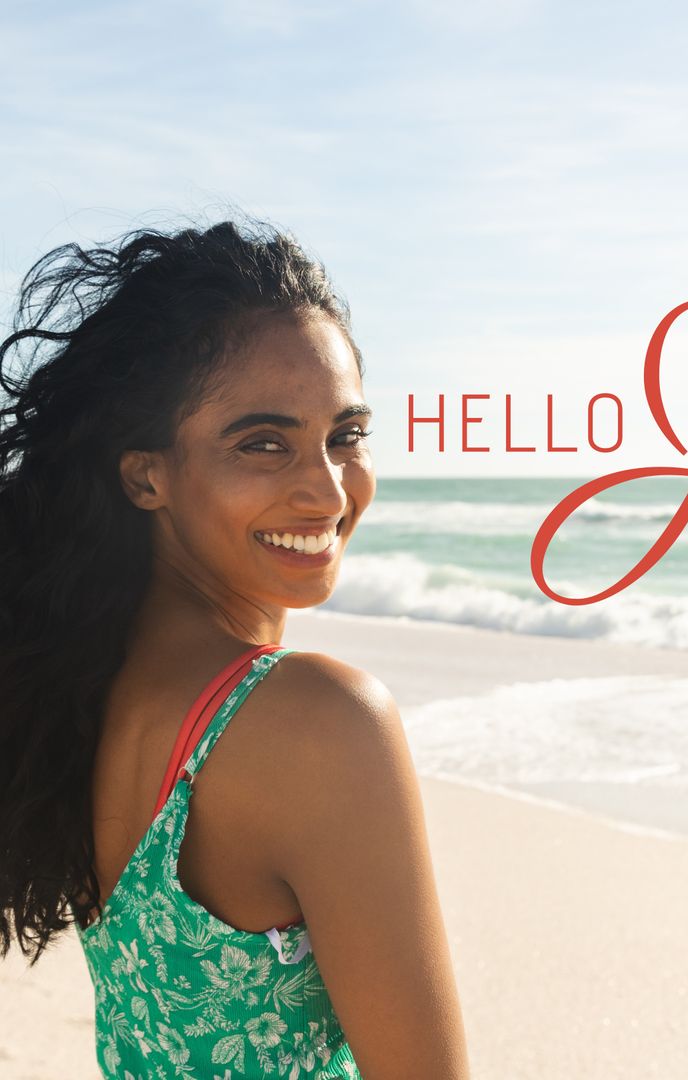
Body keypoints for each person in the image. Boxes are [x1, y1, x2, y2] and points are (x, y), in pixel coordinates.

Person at [0, 216, 471, 1078]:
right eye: (263, 444)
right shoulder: (316, 722)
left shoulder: (90, 689)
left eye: (346, 436)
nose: (327, 491)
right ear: (146, 474)